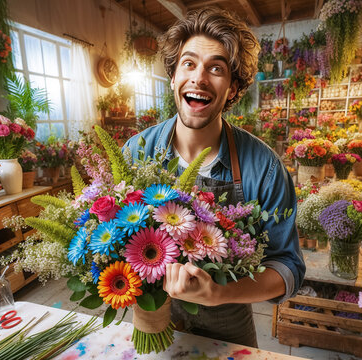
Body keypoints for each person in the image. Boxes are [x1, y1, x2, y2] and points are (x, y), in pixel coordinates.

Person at [123, 7, 305, 347]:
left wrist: (220, 291)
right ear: (174, 77)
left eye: (216, 69)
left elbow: (289, 268)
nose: (199, 78)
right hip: (149, 325)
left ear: (233, 88)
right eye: (189, 64)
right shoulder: (136, 152)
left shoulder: (263, 167)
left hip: (229, 332)